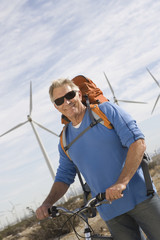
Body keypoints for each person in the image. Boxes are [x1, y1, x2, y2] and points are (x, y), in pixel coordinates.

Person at [36, 78, 160, 240]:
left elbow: (138, 143)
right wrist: (47, 203)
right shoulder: (64, 140)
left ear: (79, 94)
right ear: (56, 106)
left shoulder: (105, 111)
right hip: (110, 212)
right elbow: (63, 177)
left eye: (70, 95)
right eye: (59, 100)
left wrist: (121, 183)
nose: (66, 102)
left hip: (142, 198)